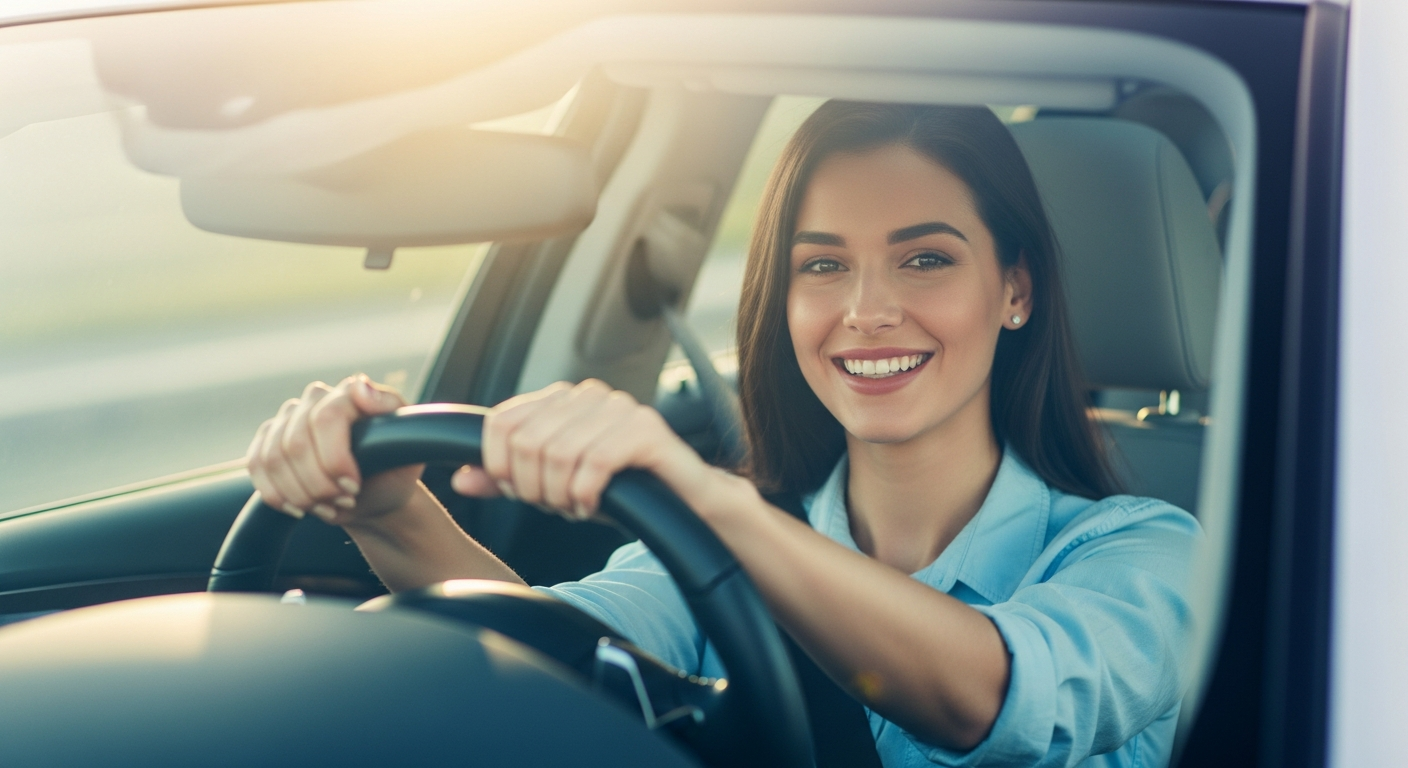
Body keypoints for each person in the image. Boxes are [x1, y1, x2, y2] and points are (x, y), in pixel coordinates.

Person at [245, 102, 1200, 767]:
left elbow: (987, 698)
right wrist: (389, 515)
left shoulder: (1146, 552)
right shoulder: (719, 544)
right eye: (822, 267)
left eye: (924, 258)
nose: (867, 311)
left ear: (1017, 290)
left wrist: (710, 502)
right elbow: (552, 658)